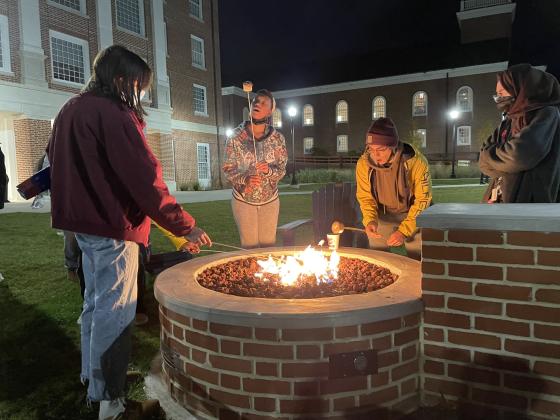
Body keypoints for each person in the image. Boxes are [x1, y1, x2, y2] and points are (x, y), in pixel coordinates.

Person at [47, 45, 211, 420]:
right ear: (123, 79)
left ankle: (95, 381)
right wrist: (185, 226)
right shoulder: (114, 114)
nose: (141, 94)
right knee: (115, 311)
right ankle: (111, 403)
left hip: (83, 225)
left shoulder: (70, 108)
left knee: (93, 305)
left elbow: (54, 162)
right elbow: (145, 180)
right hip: (112, 226)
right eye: (140, 85)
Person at [479, 63, 560, 203]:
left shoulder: (547, 114)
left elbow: (520, 155)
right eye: (497, 94)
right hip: (499, 200)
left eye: (502, 93)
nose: (498, 98)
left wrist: (498, 161)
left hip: (529, 203)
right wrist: (508, 166)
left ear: (521, 89)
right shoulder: (508, 121)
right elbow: (482, 160)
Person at [355, 117, 432, 261]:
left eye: (381, 149)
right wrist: (370, 221)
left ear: (393, 146)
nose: (376, 155)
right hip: (382, 215)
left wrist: (404, 231)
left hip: (412, 214)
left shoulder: (416, 163)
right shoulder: (363, 165)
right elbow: (365, 198)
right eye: (371, 149)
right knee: (378, 259)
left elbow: (422, 200)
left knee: (418, 259)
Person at [223, 89, 288, 248]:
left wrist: (268, 171)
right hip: (243, 201)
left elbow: (281, 170)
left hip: (270, 201)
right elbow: (228, 169)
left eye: (263, 102)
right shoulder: (235, 137)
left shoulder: (278, 139)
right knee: (249, 248)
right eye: (255, 101)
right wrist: (245, 178)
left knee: (268, 247)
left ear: (270, 110)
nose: (257, 104)